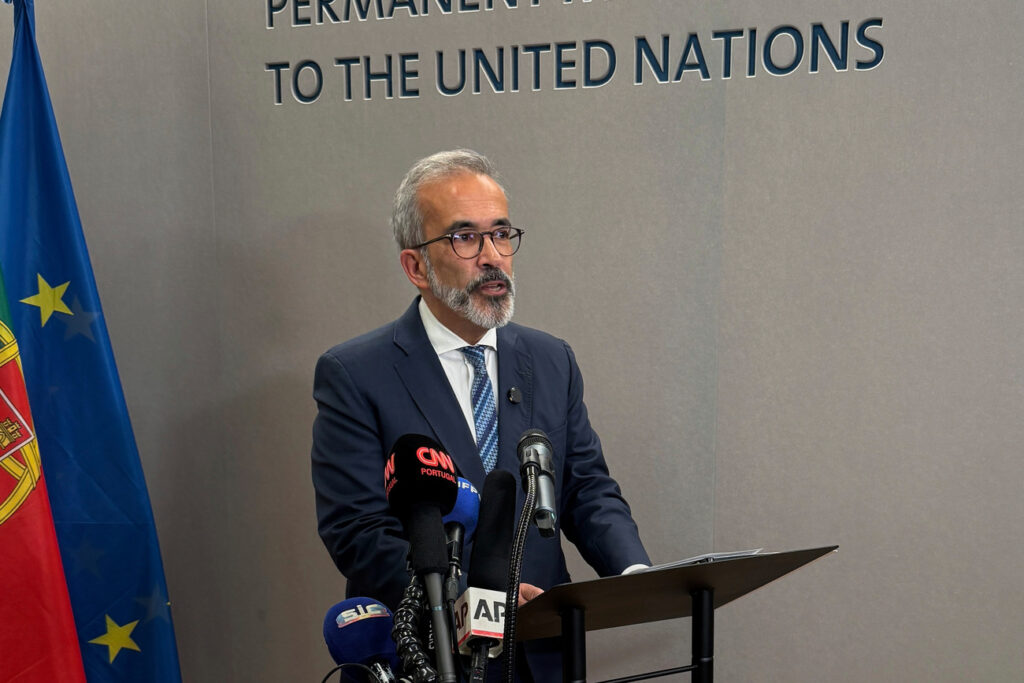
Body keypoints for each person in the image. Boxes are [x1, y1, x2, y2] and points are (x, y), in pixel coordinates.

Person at [312, 149, 649, 679]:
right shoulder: (355, 374)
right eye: (465, 237)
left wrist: (634, 573)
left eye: (501, 234)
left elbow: (586, 488)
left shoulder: (550, 359)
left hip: (544, 654)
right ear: (416, 267)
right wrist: (478, 599)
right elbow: (358, 531)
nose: (492, 256)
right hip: (433, 655)